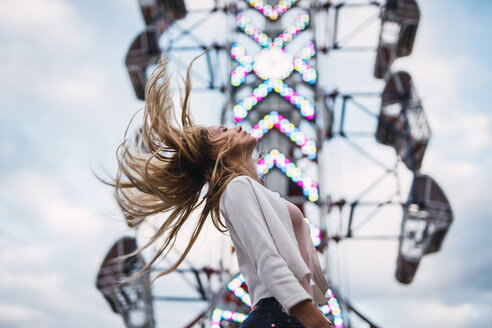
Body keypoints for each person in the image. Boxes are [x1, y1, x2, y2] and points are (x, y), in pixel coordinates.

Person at [111, 57, 334, 328]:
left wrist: (315, 307)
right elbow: (268, 259)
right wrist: (315, 319)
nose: (236, 127)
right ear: (219, 154)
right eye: (224, 131)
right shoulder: (236, 188)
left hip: (290, 314)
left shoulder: (258, 193)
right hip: (282, 315)